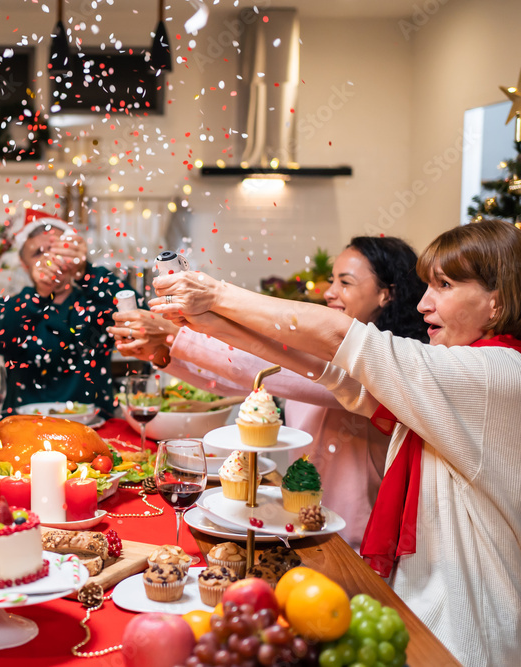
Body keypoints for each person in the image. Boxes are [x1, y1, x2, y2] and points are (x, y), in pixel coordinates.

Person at [149, 220, 521, 667]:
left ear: (497, 299)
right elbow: (321, 368)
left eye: (444, 285)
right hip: (420, 612)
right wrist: (206, 323)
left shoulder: (494, 374)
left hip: (467, 637)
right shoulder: (452, 375)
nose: (424, 303)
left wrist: (215, 295)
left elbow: (337, 337)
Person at [109, 237, 428, 548]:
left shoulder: (386, 366)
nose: (330, 292)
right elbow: (252, 377)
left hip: (352, 534)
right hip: (298, 521)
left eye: (345, 283)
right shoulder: (318, 354)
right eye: (332, 280)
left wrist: (175, 337)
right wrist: (164, 350)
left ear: (387, 294)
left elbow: (280, 369)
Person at [0, 209, 132, 416]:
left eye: (57, 249)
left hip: (94, 427)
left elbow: (137, 313)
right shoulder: (12, 306)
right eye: (38, 252)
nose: (49, 258)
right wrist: (40, 295)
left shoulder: (97, 303)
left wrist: (85, 272)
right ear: (24, 264)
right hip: (24, 427)